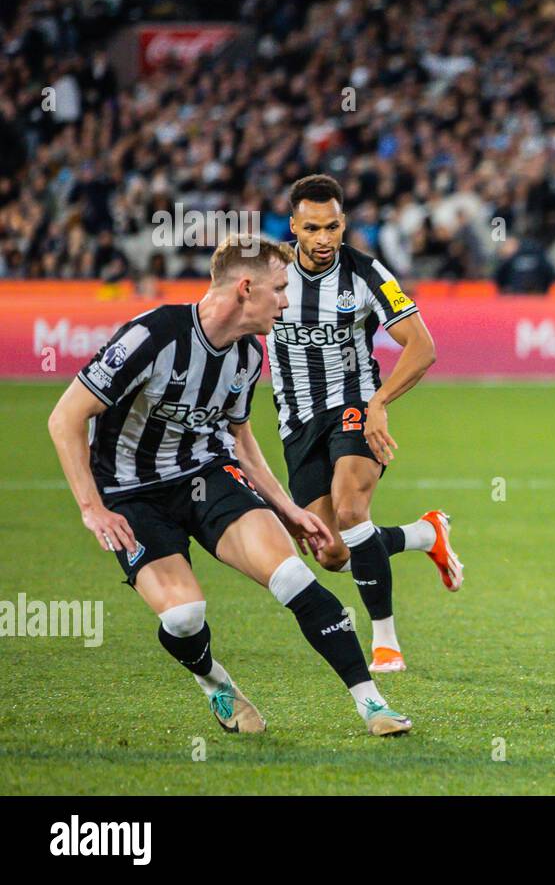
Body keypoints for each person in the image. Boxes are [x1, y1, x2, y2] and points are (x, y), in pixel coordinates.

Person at [46, 234, 412, 735]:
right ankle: (215, 681)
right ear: (245, 288)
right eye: (280, 289)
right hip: (132, 494)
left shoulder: (247, 357)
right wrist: (92, 508)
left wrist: (287, 507)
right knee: (184, 617)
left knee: (294, 577)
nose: (287, 300)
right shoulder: (151, 336)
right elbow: (65, 418)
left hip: (206, 474)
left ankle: (373, 705)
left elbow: (240, 439)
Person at [272, 174, 464, 675]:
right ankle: (424, 535)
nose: (322, 239)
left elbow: (422, 347)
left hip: (355, 404)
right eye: (311, 228)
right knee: (331, 551)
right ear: (293, 226)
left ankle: (385, 644)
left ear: (344, 224)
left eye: (332, 227)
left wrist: (379, 402)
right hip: (296, 421)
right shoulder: (267, 272)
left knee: (353, 511)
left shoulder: (365, 272)